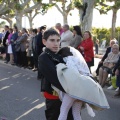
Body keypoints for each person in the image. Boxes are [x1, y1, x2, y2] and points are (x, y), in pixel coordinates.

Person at [55, 46, 109, 120]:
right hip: (82, 90)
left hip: (73, 89)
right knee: (76, 113)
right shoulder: (79, 62)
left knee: (64, 110)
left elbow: (72, 75)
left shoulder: (69, 60)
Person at [38, 29, 73, 120]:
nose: (56, 43)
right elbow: (55, 78)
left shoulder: (61, 54)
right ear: (44, 41)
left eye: (58, 40)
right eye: (52, 40)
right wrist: (75, 92)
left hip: (67, 96)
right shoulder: (44, 57)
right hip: (54, 97)